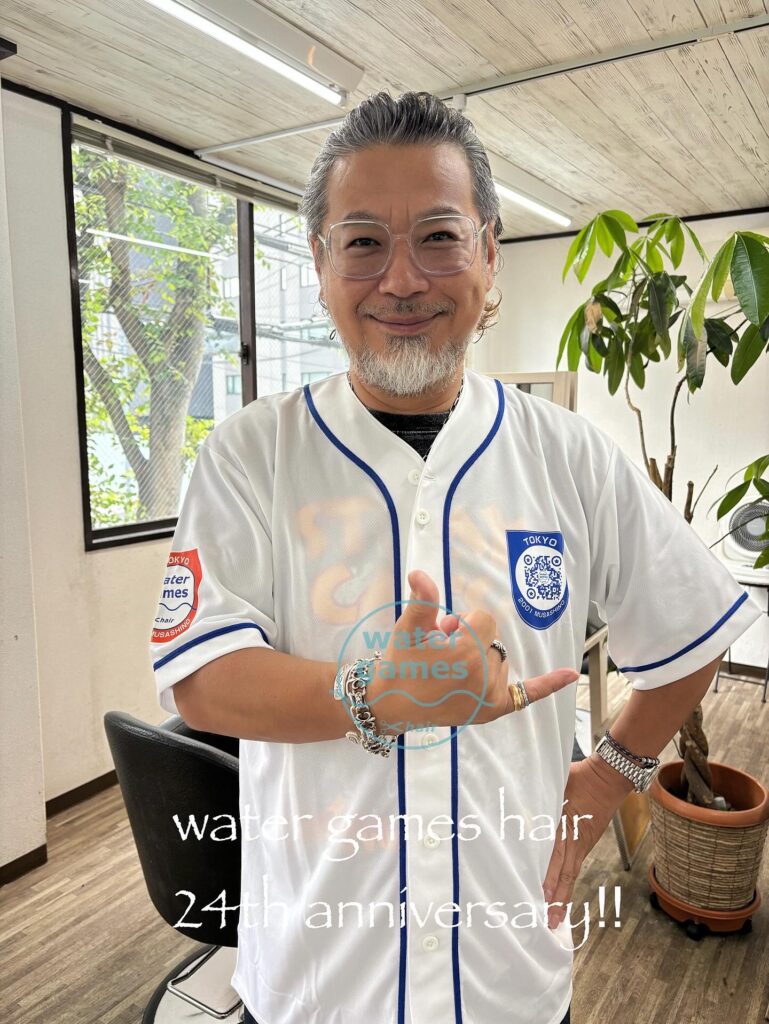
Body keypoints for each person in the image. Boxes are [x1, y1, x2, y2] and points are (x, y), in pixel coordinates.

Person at [149, 91, 762, 1024]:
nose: (401, 280)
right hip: (319, 981)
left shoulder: (569, 455)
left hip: (507, 976)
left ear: (488, 253)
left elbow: (692, 629)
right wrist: (376, 695)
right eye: (362, 242)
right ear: (319, 264)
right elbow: (201, 681)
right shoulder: (248, 455)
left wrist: (610, 776)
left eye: (438, 237)